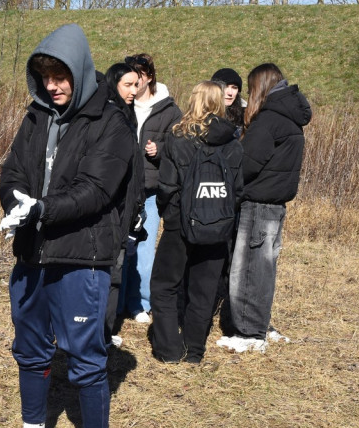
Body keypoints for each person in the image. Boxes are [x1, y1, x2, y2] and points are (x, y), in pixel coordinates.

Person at [0, 24, 134, 428]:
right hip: (33, 253)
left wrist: (42, 209)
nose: (53, 85)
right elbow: (12, 169)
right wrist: (15, 202)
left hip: (82, 255)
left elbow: (97, 190)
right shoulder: (36, 117)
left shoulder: (111, 121)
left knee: (85, 357)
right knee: (30, 346)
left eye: (61, 75)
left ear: (79, 70)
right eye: (45, 76)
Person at [218, 64, 311, 353]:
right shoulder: (290, 118)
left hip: (257, 205)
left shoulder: (269, 121)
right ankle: (259, 325)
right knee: (264, 269)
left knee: (248, 269)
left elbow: (247, 164)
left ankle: (248, 333)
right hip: (275, 206)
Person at [150, 81, 243, 363]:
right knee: (203, 291)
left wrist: (170, 215)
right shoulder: (233, 143)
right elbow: (237, 190)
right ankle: (195, 352)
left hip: (180, 224)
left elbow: (166, 186)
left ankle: (169, 350)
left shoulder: (178, 139)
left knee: (164, 286)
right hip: (218, 227)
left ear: (194, 102)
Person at [120, 53, 182, 325]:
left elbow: (180, 145)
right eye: (130, 78)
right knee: (120, 248)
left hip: (150, 189)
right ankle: (118, 302)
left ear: (150, 77)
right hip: (120, 187)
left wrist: (161, 149)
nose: (134, 84)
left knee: (145, 249)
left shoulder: (169, 109)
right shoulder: (121, 102)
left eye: (139, 78)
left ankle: (141, 303)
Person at [102, 62, 143, 347]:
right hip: (109, 207)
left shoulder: (129, 115)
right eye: (127, 85)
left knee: (115, 271)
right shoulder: (107, 114)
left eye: (136, 84)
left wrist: (137, 206)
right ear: (113, 83)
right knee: (107, 272)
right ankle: (100, 332)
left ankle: (106, 329)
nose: (134, 90)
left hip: (127, 204)